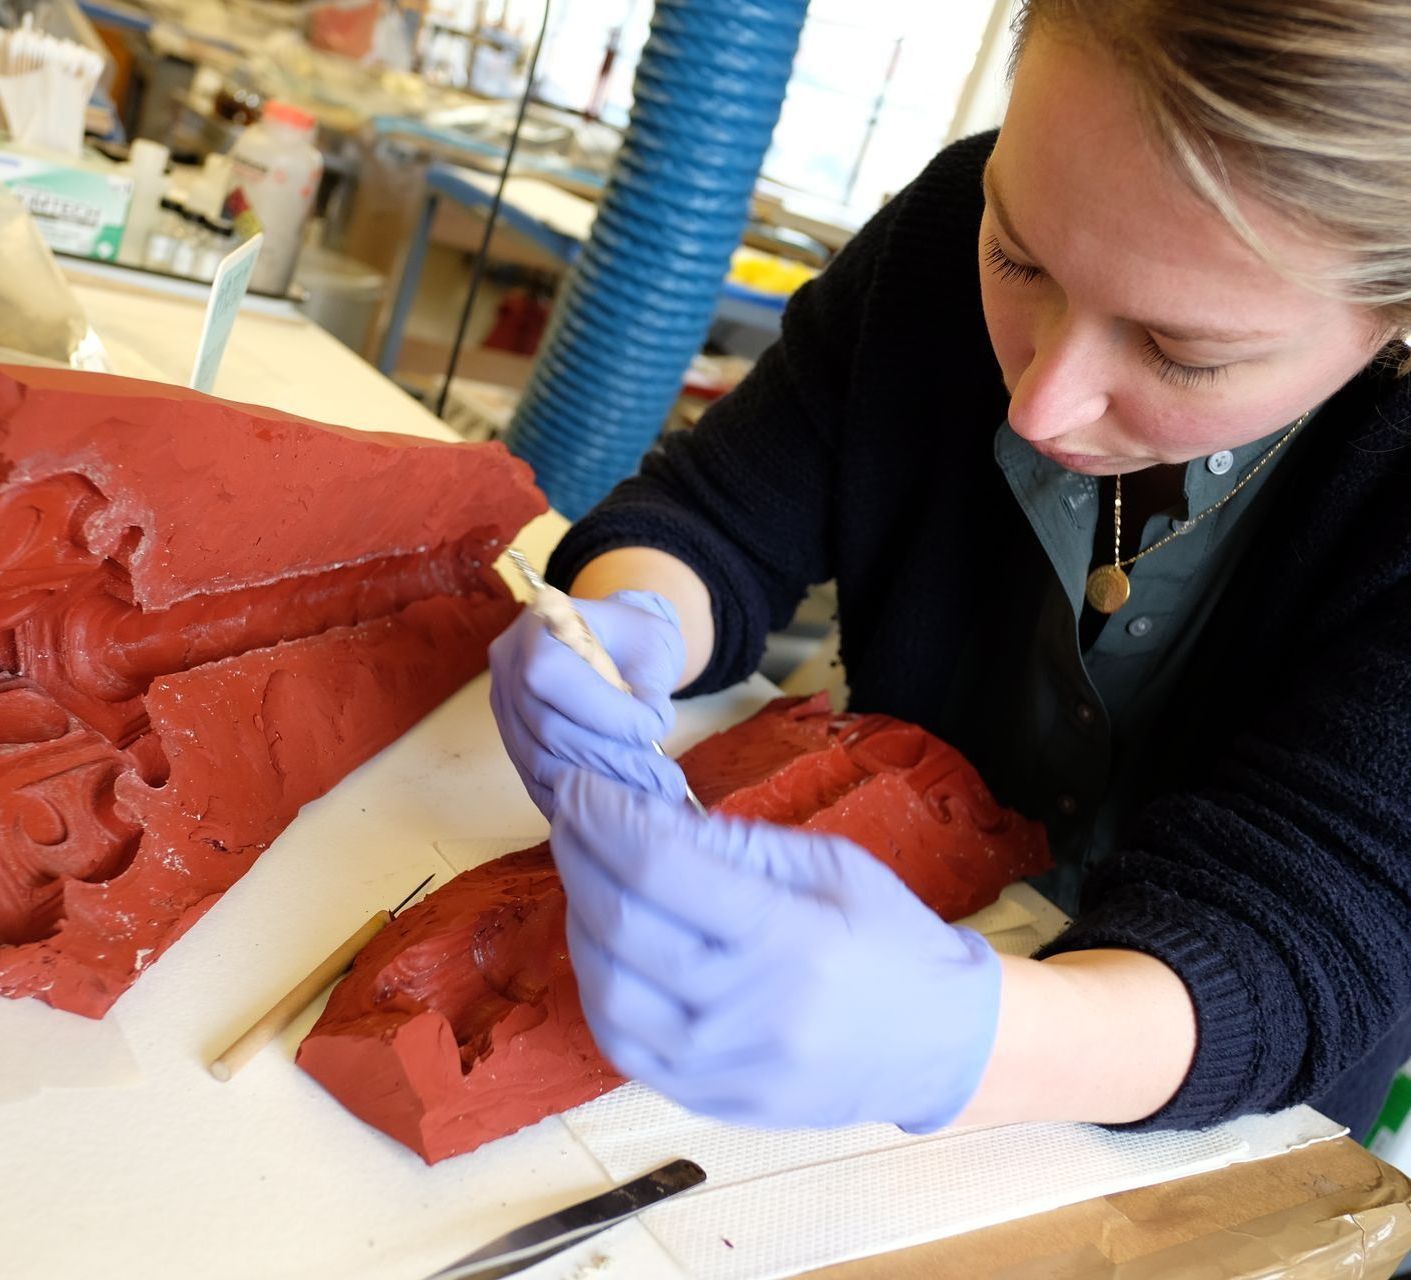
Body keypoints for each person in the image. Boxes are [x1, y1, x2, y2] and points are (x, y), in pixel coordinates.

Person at [490, 0, 1411, 1138]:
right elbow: (716, 512)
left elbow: (1321, 913)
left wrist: (965, 1035)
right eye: (1017, 257)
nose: (1041, 403)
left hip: (1211, 1121)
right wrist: (620, 623)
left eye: (1183, 351)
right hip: (860, 919)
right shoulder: (937, 235)